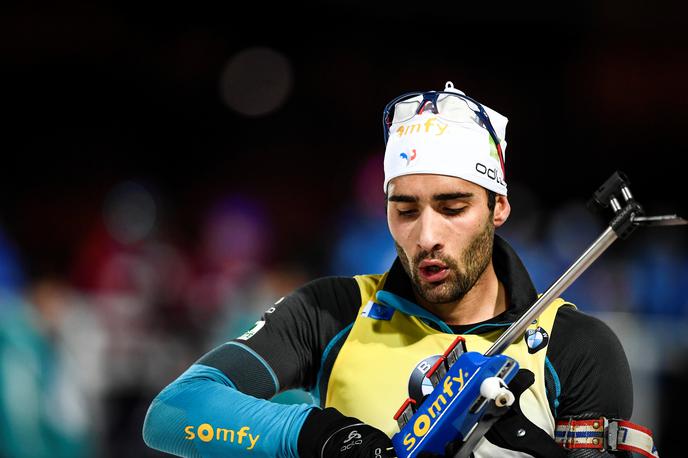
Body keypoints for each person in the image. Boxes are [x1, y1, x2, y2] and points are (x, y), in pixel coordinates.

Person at [142, 82, 657, 457]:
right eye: (405, 210)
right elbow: (175, 412)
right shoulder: (332, 310)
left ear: (498, 207)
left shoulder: (575, 345)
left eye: (453, 207)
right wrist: (323, 437)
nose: (426, 236)